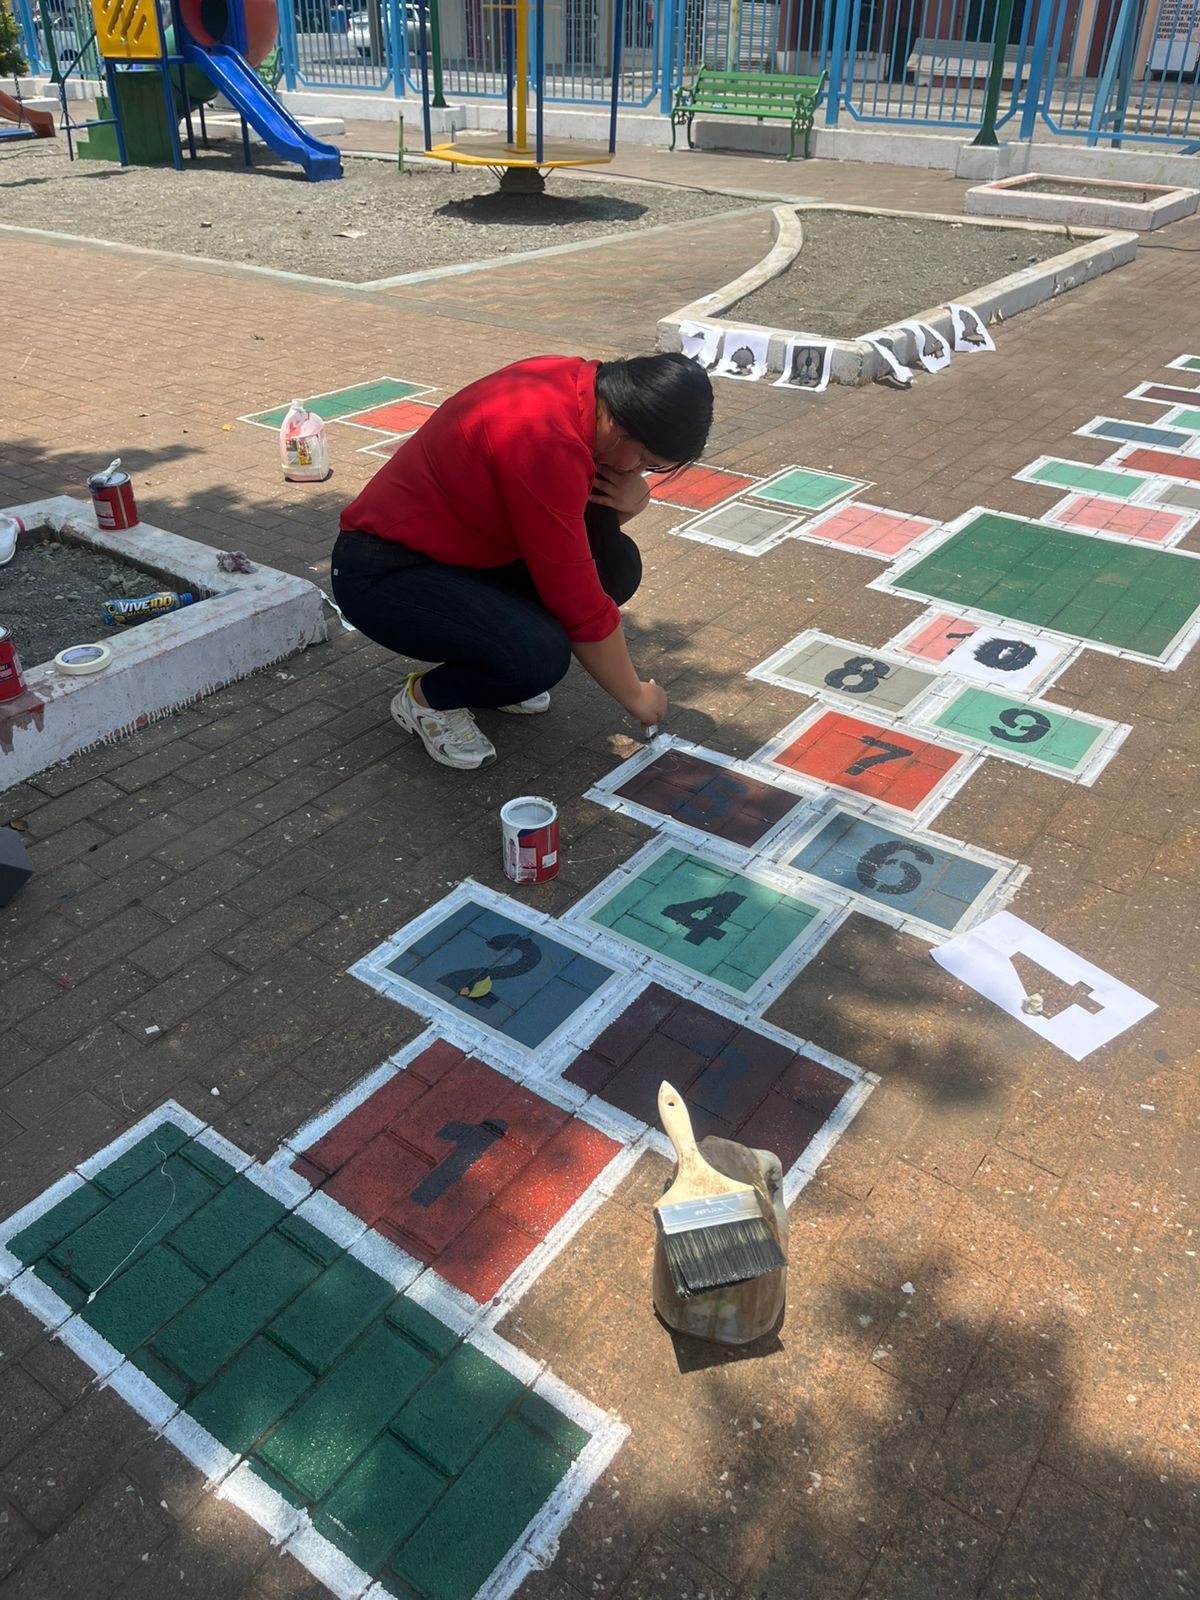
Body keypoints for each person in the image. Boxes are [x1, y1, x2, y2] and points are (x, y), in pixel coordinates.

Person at [331, 352, 714, 770]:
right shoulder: (543, 437)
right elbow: (577, 600)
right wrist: (635, 696)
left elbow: (568, 533)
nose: (638, 472)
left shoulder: (580, 386)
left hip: (463, 553)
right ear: (619, 426)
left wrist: (634, 500)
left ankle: (498, 663)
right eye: (645, 462)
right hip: (382, 570)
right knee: (537, 658)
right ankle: (426, 700)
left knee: (615, 566)